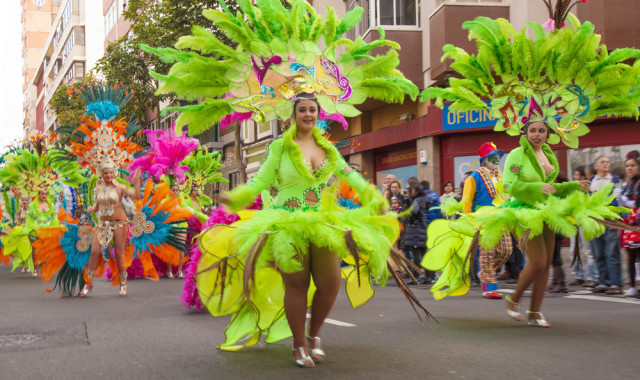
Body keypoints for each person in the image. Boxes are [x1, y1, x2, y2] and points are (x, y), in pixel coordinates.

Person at [212, 94, 402, 367]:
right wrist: (237, 197)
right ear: (294, 115)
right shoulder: (280, 147)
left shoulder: (329, 149)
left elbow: (351, 175)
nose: (308, 114)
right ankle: (299, 343)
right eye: (302, 110)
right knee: (297, 285)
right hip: (288, 223)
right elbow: (262, 180)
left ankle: (315, 335)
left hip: (322, 222)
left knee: (330, 284)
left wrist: (374, 198)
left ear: (318, 114)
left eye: (312, 110)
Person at [504, 121, 591, 327]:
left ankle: (534, 311)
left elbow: (552, 188)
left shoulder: (549, 155)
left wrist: (573, 185)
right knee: (538, 261)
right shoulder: (517, 154)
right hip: (523, 213)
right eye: (532, 130)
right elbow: (509, 185)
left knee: (546, 266)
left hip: (547, 213)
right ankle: (513, 299)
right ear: (525, 132)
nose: (536, 134)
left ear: (548, 134)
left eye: (541, 131)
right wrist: (538, 187)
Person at [81, 167, 142, 297]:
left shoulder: (119, 187)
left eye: (110, 172)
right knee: (94, 251)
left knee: (119, 253)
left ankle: (123, 283)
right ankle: (88, 282)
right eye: (105, 173)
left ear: (114, 173)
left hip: (119, 223)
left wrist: (136, 182)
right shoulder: (98, 189)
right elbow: (97, 207)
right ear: (101, 174)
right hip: (103, 224)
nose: (108, 175)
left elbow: (137, 196)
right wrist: (91, 209)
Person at [462, 142, 511, 299]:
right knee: (488, 253)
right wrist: (469, 221)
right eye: (493, 157)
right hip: (483, 220)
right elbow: (467, 201)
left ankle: (484, 272)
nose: (497, 159)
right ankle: (489, 288)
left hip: (500, 218)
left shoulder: (500, 175)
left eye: (498, 156)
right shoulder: (474, 177)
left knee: (506, 250)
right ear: (484, 160)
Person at [590, 155, 623, 295]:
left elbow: (619, 201)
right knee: (598, 253)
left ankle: (616, 284)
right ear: (596, 166)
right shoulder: (591, 182)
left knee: (612, 253)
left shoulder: (615, 181)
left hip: (610, 221)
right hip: (595, 222)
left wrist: (616, 219)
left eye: (607, 162)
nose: (606, 164)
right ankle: (603, 281)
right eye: (602, 162)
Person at [568, 166, 598, 287]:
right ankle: (578, 275)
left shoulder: (588, 190)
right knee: (573, 251)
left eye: (576, 175)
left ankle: (592, 277)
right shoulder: (574, 189)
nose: (574, 177)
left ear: (583, 177)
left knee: (588, 251)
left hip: (584, 222)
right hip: (574, 223)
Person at [617, 155, 640, 297]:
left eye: (632, 165)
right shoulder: (628, 184)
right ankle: (632, 286)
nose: (629, 168)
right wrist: (620, 199)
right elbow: (624, 207)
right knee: (630, 254)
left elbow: (636, 204)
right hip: (630, 222)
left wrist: (624, 200)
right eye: (627, 166)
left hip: (638, 221)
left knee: (638, 254)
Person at [26, 189, 60, 277]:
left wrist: (53, 228)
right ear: (38, 194)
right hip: (34, 231)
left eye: (45, 194)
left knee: (45, 250)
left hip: (46, 231)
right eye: (42, 194)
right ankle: (35, 269)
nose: (44, 196)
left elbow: (55, 218)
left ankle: (43, 269)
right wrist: (35, 228)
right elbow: (28, 219)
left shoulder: (51, 205)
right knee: (36, 250)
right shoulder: (32, 205)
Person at [403, 184, 433, 284]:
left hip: (416, 230)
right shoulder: (425, 199)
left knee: (415, 254)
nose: (411, 193)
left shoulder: (418, 200)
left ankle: (415, 276)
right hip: (423, 229)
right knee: (424, 254)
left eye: (412, 191)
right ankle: (428, 276)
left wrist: (408, 215)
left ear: (416, 191)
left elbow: (413, 212)